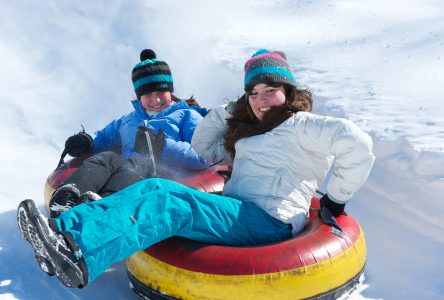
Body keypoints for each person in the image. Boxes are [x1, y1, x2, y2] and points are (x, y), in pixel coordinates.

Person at [17, 49, 375, 288]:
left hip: (269, 219)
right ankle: (62, 235)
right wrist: (235, 108)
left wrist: (336, 199)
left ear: (288, 91)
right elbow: (206, 146)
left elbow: (358, 145)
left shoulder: (302, 124)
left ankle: (76, 251)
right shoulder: (256, 132)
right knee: (154, 191)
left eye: (270, 91)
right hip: (241, 212)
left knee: (165, 197)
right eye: (254, 93)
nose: (262, 100)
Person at [48, 49, 209, 217]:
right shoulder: (128, 120)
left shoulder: (186, 115)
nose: (156, 100)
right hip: (124, 174)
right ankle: (66, 199)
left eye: (161, 92)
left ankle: (100, 212)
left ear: (170, 91)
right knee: (106, 158)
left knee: (138, 163)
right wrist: (87, 140)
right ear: (139, 97)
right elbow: (103, 136)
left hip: (162, 179)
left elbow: (204, 156)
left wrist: (161, 147)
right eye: (147, 94)